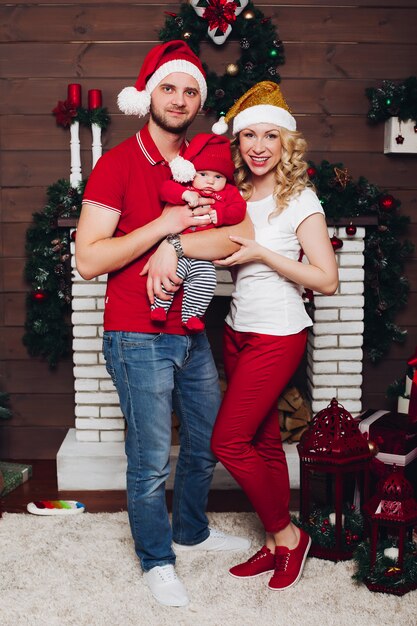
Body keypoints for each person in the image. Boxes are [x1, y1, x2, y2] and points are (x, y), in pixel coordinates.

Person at [75, 40, 252, 608]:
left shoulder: (209, 161)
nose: (179, 98)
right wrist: (164, 227)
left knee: (204, 444)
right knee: (151, 460)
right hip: (135, 335)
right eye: (170, 87)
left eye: (191, 90)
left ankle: (191, 530)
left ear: (200, 101)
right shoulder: (118, 164)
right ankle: (156, 558)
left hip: (191, 332)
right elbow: (89, 260)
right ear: (149, 93)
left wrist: (176, 242)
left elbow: (239, 237)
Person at [210, 81, 339, 590]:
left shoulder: (299, 198)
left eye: (270, 136)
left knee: (228, 441)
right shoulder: (235, 195)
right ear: (238, 143)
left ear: (286, 143)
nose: (259, 146)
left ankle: (289, 536)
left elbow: (327, 280)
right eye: (249, 136)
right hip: (237, 330)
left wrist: (264, 253)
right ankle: (273, 541)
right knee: (262, 443)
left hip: (278, 332)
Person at [152, 133, 246, 332]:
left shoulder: (228, 192)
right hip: (178, 250)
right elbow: (165, 189)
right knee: (169, 276)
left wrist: (221, 215)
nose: (210, 182)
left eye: (218, 177)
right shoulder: (185, 185)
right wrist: (184, 194)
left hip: (203, 253)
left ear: (226, 178)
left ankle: (192, 315)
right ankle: (159, 307)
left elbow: (239, 210)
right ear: (193, 173)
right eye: (203, 174)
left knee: (205, 281)